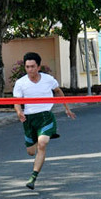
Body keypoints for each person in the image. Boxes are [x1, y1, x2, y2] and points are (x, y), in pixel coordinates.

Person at [13, 52, 76, 190]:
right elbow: (17, 101)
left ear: (38, 67)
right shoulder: (20, 83)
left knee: (42, 144)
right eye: (27, 67)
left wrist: (66, 108)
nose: (30, 70)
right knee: (31, 152)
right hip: (29, 119)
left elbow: (59, 92)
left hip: (45, 117)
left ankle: (33, 178)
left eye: (33, 66)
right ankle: (37, 137)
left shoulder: (48, 80)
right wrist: (19, 112)